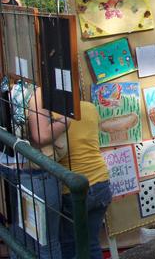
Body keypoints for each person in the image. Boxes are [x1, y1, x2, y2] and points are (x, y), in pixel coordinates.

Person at [0, 81, 67, 258]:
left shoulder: (5, 87)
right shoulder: (33, 91)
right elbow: (41, 135)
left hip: (8, 169)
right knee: (46, 242)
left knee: (18, 238)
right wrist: (64, 122)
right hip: (35, 174)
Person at [59, 101, 110, 259]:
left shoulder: (54, 115)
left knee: (69, 244)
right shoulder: (91, 108)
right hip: (101, 181)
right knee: (92, 243)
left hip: (73, 189)